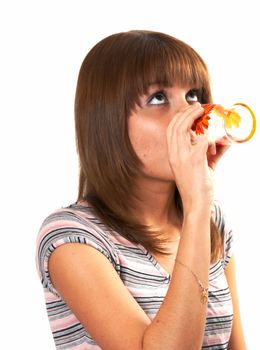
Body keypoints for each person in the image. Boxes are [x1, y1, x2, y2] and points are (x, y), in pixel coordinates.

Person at [36, 30, 247, 349]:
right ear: (108, 121)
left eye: (193, 96)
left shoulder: (212, 220)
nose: (190, 116)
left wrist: (199, 208)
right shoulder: (72, 236)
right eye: (158, 98)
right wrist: (197, 205)